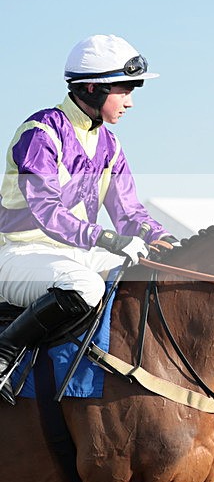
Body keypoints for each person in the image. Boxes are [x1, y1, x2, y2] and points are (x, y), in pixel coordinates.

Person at [0, 35, 177, 405]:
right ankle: (2, 356)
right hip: (20, 253)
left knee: (145, 272)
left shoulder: (110, 145)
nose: (130, 101)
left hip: (72, 254)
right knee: (86, 286)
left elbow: (129, 213)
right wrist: (109, 240)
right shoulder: (41, 132)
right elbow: (47, 211)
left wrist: (165, 240)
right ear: (93, 89)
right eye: (124, 89)